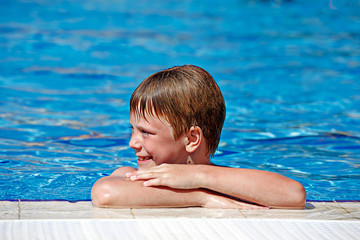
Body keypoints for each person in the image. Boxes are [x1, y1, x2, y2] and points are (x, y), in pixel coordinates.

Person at [91, 65, 306, 209]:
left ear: (192, 139)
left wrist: (198, 176)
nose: (132, 143)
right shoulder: (132, 176)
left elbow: (294, 195)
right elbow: (106, 193)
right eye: (133, 130)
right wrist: (202, 196)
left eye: (145, 132)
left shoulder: (225, 180)